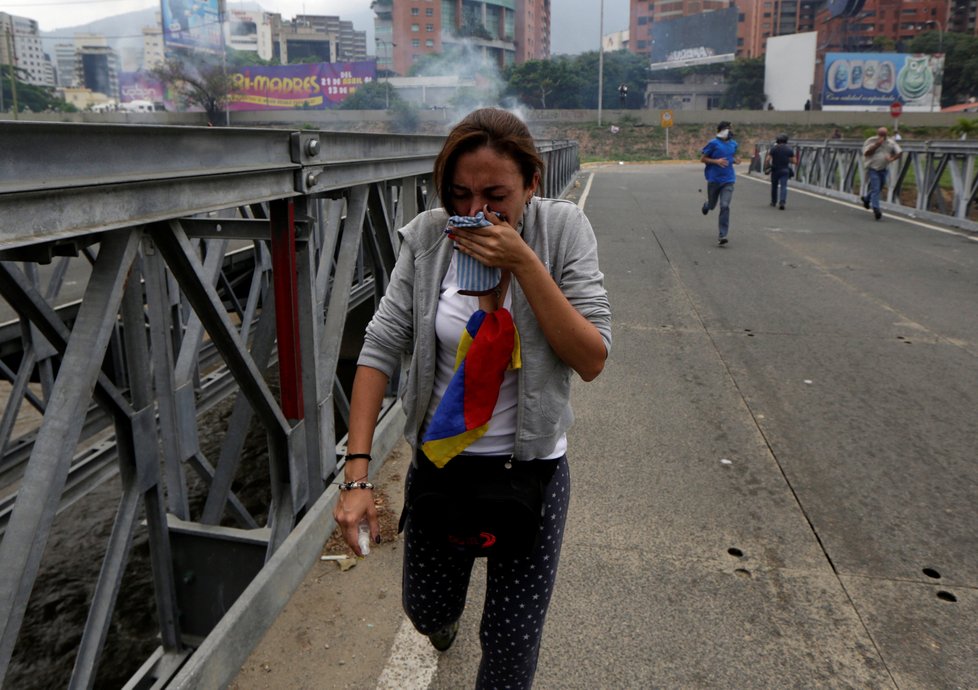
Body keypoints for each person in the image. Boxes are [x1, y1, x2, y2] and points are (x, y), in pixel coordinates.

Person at [333, 107, 611, 688]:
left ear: (532, 184)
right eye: (459, 193)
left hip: (529, 474)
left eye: (495, 194)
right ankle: (442, 622)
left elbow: (591, 358)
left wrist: (524, 264)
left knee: (510, 648)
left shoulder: (561, 233)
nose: (473, 211)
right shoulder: (430, 237)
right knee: (426, 609)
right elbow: (380, 346)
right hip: (442, 465)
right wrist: (357, 479)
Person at [700, 120, 740, 245]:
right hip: (714, 179)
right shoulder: (713, 143)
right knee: (712, 205)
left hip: (728, 180)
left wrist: (736, 160)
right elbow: (703, 159)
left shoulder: (734, 144)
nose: (730, 131)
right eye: (727, 129)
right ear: (721, 130)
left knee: (725, 205)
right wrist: (716, 161)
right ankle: (707, 205)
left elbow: (732, 157)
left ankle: (722, 234)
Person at [860, 126, 902, 220]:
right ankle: (876, 209)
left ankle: (866, 199)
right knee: (875, 188)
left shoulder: (890, 142)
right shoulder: (871, 141)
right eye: (881, 134)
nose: (882, 136)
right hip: (873, 168)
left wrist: (891, 159)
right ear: (878, 133)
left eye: (884, 134)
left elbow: (899, 152)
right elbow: (866, 153)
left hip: (884, 169)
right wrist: (876, 145)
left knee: (878, 188)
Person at [764, 133, 797, 210]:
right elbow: (794, 161)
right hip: (785, 170)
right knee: (783, 186)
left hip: (775, 170)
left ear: (777, 140)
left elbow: (767, 159)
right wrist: (787, 159)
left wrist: (767, 167)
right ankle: (782, 202)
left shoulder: (774, 149)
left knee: (774, 186)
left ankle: (773, 201)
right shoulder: (789, 149)